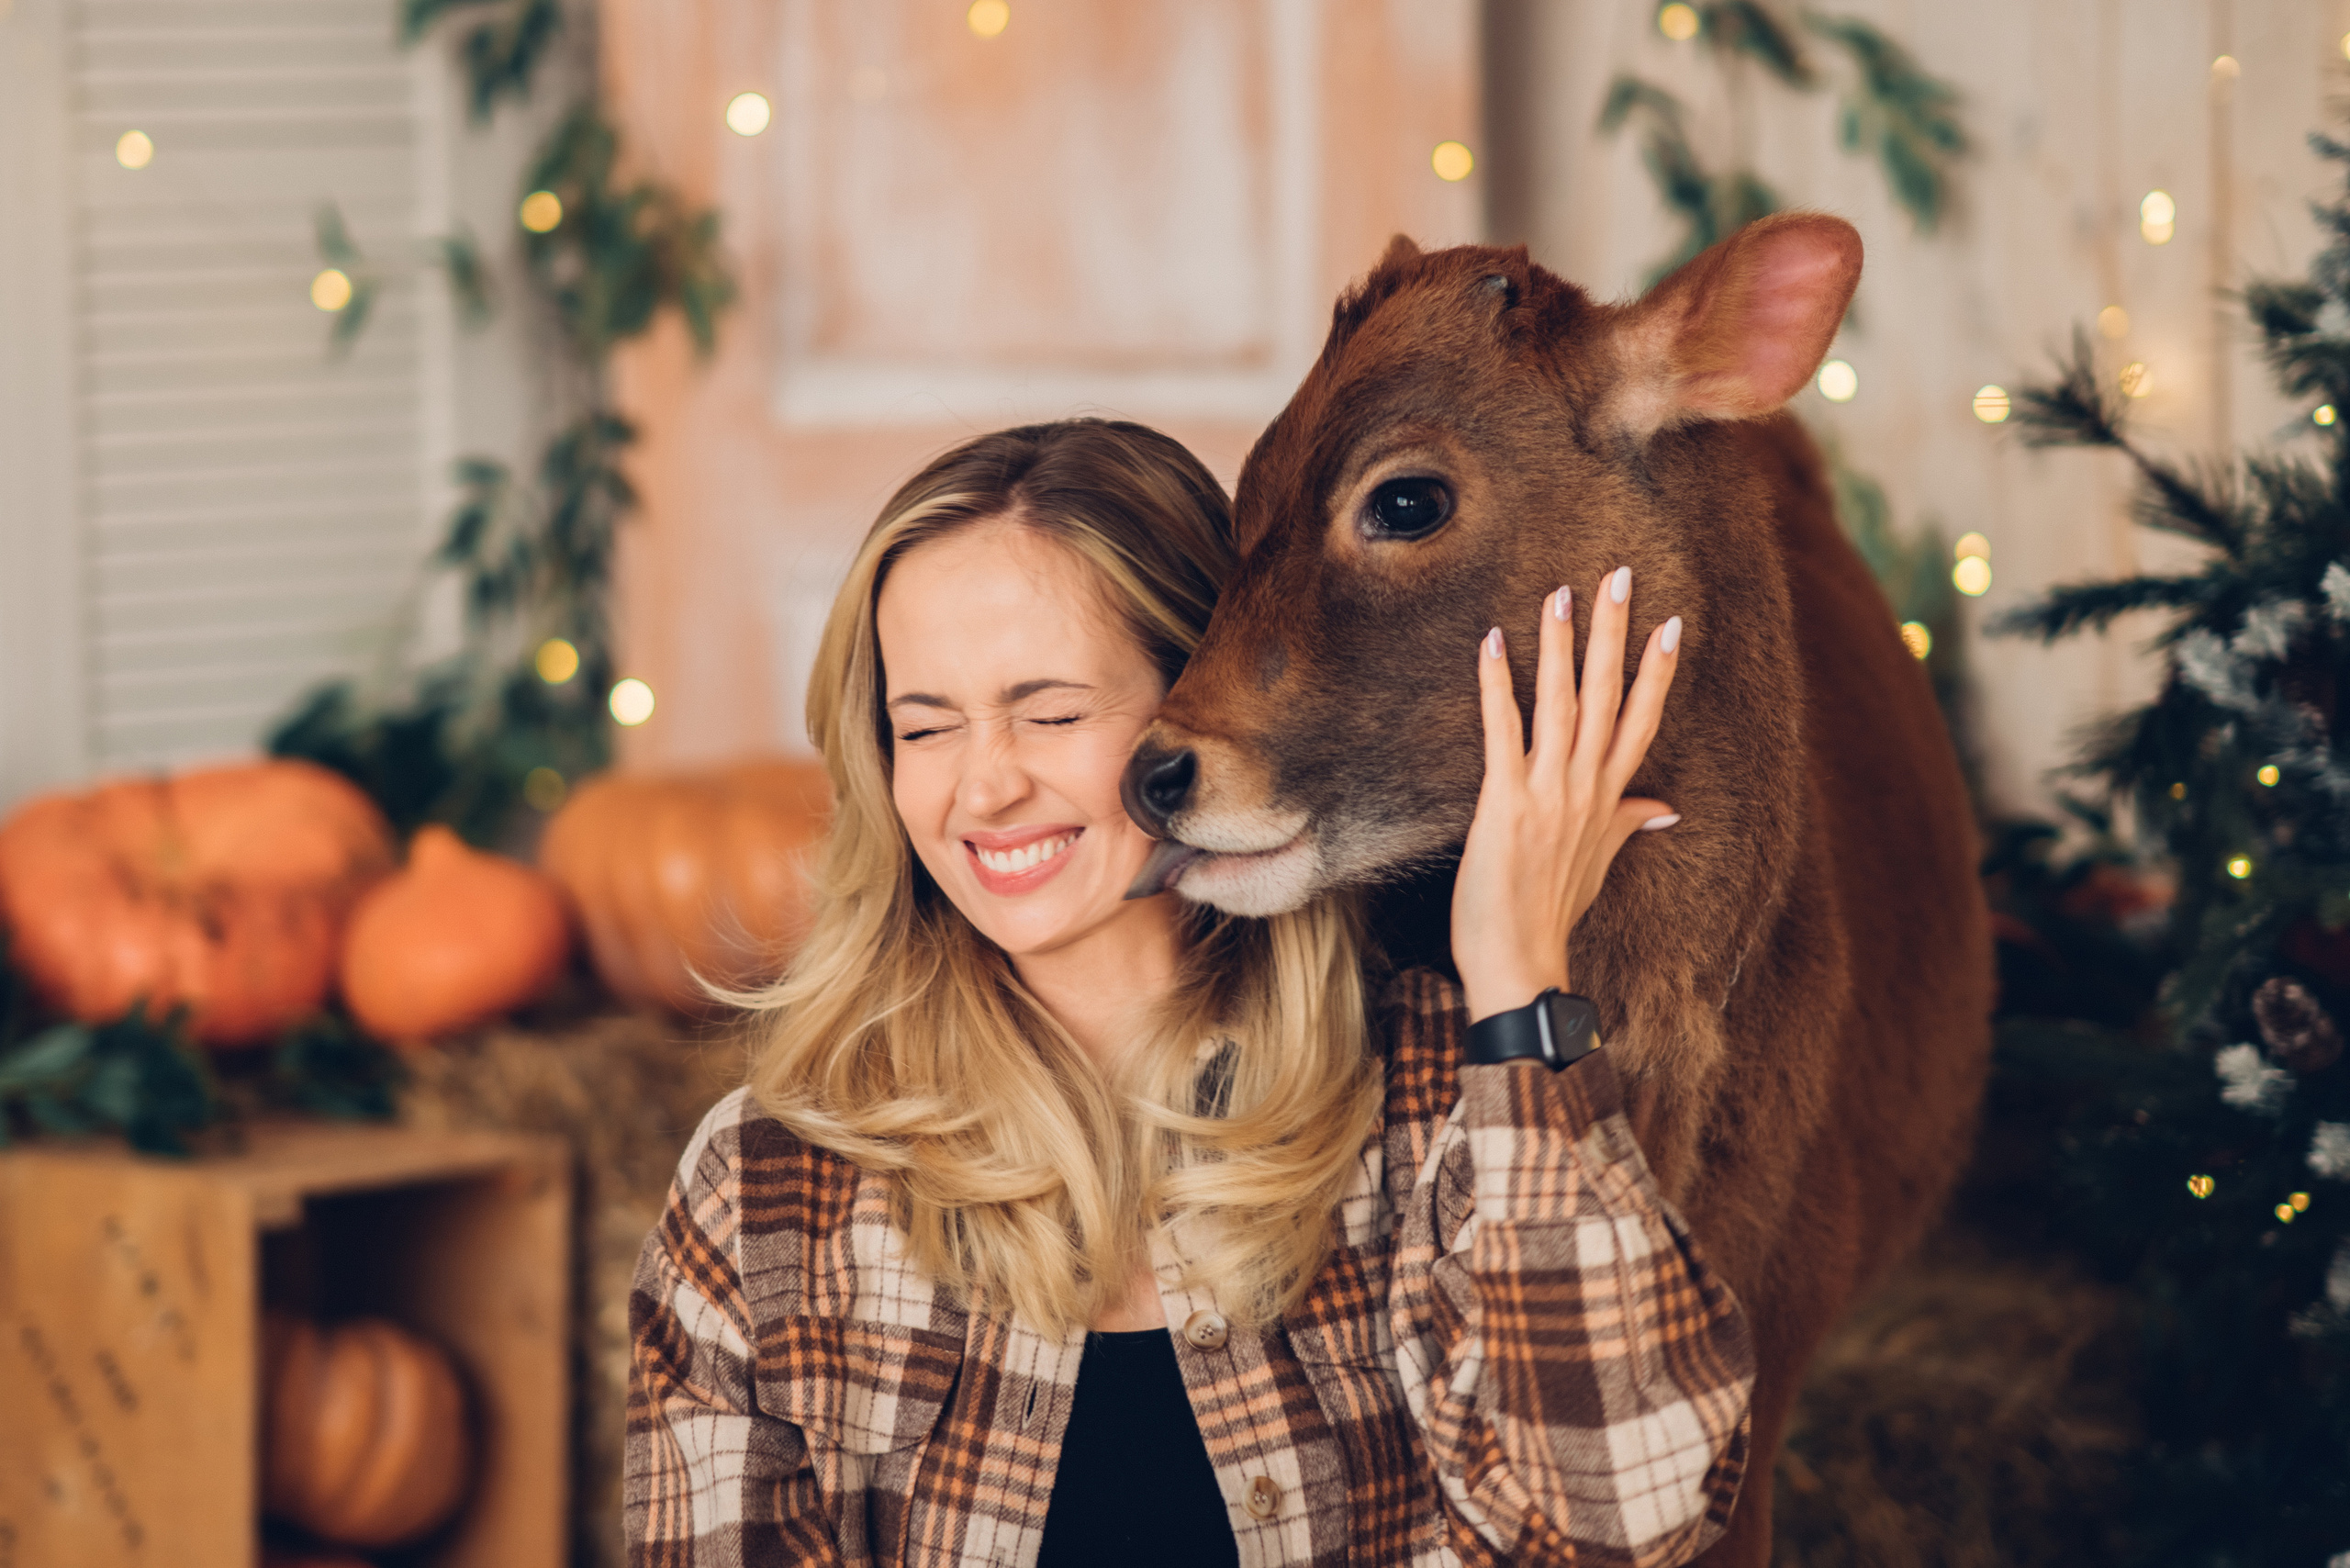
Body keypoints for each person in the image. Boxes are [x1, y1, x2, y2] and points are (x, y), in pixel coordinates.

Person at [625, 419, 1752, 1567]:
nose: (986, 784)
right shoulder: (765, 1187)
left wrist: (1516, 980)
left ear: (1206, 696)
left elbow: (1621, 1520)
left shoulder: (1441, 1098)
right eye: (925, 727)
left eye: (1053, 713)